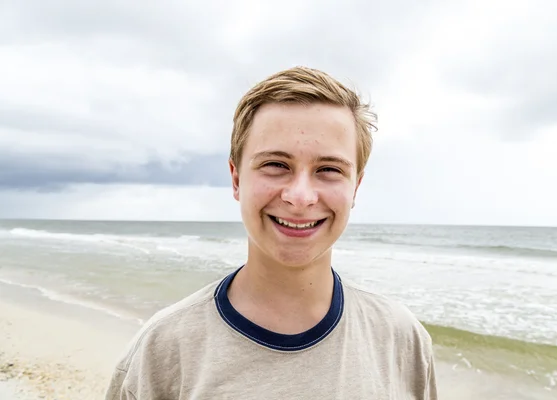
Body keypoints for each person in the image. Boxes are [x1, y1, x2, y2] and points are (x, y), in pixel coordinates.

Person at [104, 66, 437, 400]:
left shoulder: (402, 340)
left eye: (329, 170)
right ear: (236, 179)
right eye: (276, 165)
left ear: (355, 187)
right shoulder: (163, 350)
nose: (301, 196)